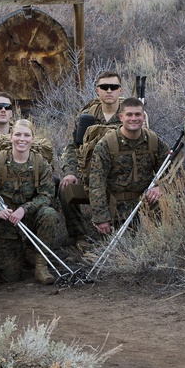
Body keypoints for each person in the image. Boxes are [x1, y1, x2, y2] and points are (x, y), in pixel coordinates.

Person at [0, 120, 58, 285]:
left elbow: (47, 195)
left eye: (27, 135)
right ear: (11, 137)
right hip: (4, 223)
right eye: (18, 135)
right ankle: (24, 254)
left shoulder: (40, 163)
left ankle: (41, 265)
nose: (22, 139)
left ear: (32, 138)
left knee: (49, 214)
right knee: (11, 277)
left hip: (29, 218)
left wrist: (25, 209)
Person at [58, 71, 124, 245]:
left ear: (120, 90)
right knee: (65, 189)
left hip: (119, 179)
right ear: (97, 90)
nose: (109, 90)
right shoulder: (88, 115)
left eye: (114, 87)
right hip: (89, 177)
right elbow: (73, 146)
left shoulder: (130, 113)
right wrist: (70, 172)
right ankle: (79, 238)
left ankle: (117, 235)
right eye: (104, 87)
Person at [88, 98, 170, 234]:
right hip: (117, 208)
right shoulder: (107, 144)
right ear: (121, 117)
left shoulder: (153, 140)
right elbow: (97, 184)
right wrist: (101, 218)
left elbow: (171, 170)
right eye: (129, 114)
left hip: (146, 203)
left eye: (138, 114)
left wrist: (160, 186)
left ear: (144, 117)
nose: (134, 118)